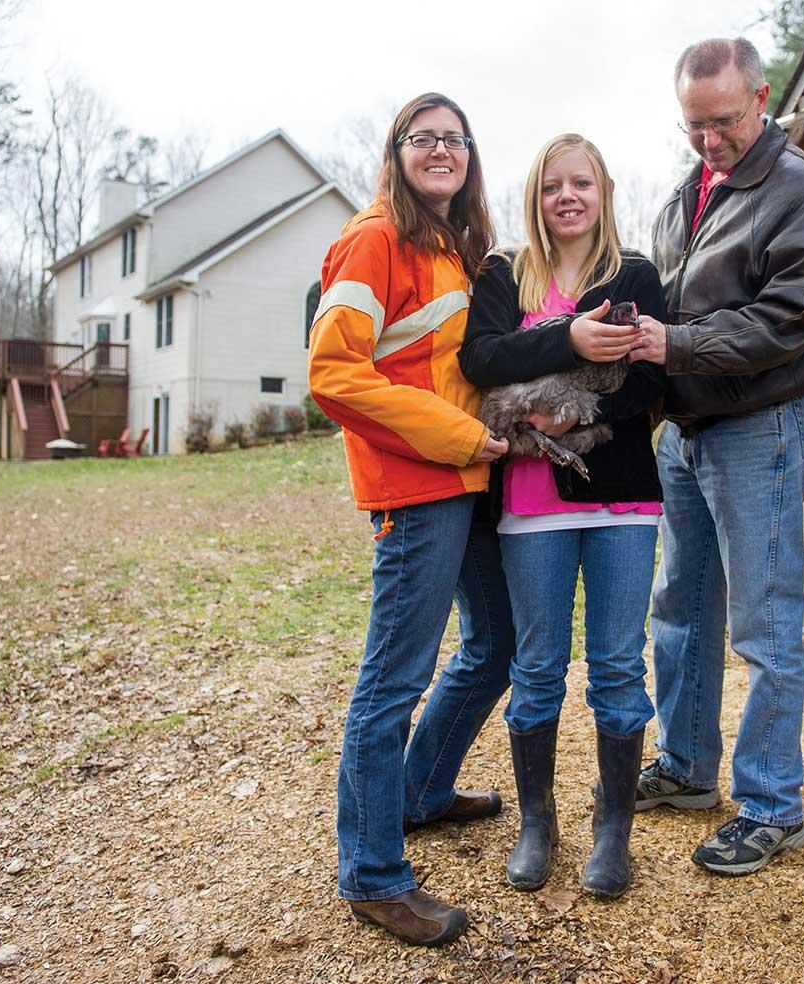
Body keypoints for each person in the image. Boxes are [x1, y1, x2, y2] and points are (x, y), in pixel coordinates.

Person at [617, 37, 804, 875]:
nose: (707, 141)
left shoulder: (802, 189)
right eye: (692, 127)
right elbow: (670, 299)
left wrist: (671, 345)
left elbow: (784, 320)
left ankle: (772, 804)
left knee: (764, 619)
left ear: (760, 98)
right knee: (679, 610)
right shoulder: (687, 193)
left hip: (763, 425)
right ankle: (686, 767)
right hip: (688, 430)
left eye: (721, 122)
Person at [307, 92, 514, 947]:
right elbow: (333, 372)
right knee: (394, 679)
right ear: (395, 154)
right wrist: (466, 435)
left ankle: (422, 791)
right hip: (417, 484)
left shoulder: (457, 247)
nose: (439, 151)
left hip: (468, 483)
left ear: (469, 156)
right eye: (421, 139)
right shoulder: (374, 237)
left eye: (453, 139)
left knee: (498, 643)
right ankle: (372, 872)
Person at [461, 134, 668, 899]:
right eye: (553, 186)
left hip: (621, 496)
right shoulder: (505, 273)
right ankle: (536, 823)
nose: (567, 197)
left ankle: (613, 830)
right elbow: (479, 359)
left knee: (617, 664)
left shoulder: (636, 274)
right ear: (536, 197)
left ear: (604, 191)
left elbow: (649, 382)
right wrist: (569, 338)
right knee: (538, 667)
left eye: (581, 183)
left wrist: (574, 415)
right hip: (531, 497)